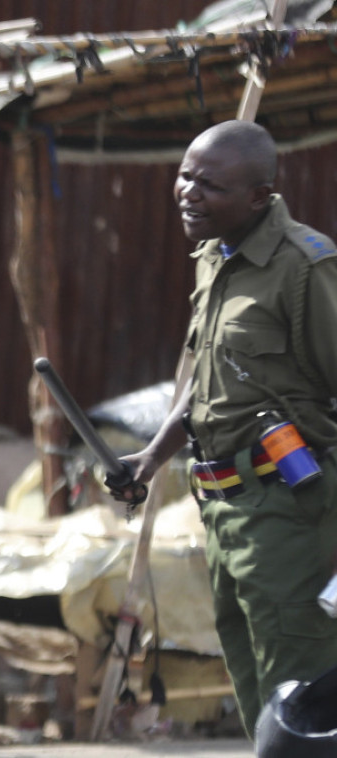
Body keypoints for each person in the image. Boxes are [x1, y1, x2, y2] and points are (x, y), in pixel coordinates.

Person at [108, 119, 337, 736]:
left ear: (259, 196)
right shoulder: (215, 257)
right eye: (185, 176)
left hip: (291, 511)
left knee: (301, 706)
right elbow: (211, 380)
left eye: (210, 184)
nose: (189, 192)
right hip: (223, 511)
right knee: (257, 695)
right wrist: (151, 457)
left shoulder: (305, 267)